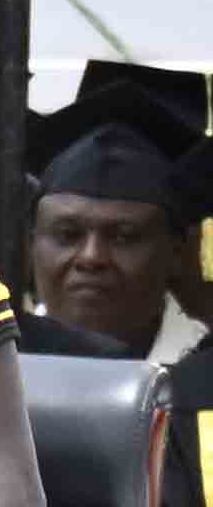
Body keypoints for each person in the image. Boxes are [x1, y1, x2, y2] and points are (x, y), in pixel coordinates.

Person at [17, 121, 184, 355]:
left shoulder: (202, 368)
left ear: (175, 253)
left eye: (123, 237)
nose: (91, 257)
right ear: (31, 246)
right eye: (67, 234)